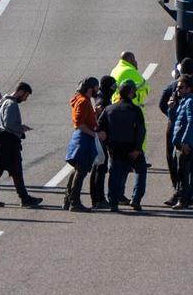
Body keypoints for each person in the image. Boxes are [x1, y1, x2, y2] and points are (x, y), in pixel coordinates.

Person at [0, 82, 42, 209]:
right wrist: (22, 128)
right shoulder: (11, 104)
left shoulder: (4, 101)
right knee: (15, 171)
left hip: (1, 142)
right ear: (21, 92)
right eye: (26, 96)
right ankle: (24, 198)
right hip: (8, 143)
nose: (25, 99)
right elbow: (8, 124)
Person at [101, 80, 147, 212]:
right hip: (132, 149)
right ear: (130, 92)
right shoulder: (135, 110)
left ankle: (113, 203)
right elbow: (141, 130)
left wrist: (107, 146)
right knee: (141, 170)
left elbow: (101, 128)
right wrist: (137, 149)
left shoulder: (109, 109)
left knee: (114, 176)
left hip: (115, 149)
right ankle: (136, 199)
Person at [62, 77, 100, 212]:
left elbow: (84, 119)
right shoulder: (83, 101)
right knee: (81, 170)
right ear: (90, 88)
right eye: (96, 87)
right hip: (83, 140)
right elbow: (79, 124)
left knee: (78, 169)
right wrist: (94, 134)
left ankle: (68, 199)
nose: (98, 89)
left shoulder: (83, 100)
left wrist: (94, 114)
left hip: (82, 139)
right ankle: (74, 202)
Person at [158, 59, 193, 202]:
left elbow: (162, 104)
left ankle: (179, 191)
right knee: (190, 163)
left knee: (174, 161)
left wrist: (172, 114)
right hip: (192, 129)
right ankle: (187, 192)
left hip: (173, 127)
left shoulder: (172, 86)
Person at [169, 76, 193, 210]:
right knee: (181, 173)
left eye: (181, 87)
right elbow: (176, 120)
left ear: (189, 88)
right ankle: (186, 199)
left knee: (183, 173)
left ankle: (183, 200)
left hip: (185, 144)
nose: (178, 89)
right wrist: (171, 108)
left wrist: (185, 142)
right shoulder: (183, 101)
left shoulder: (190, 102)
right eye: (177, 87)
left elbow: (192, 123)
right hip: (179, 143)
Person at [89, 75, 116, 209]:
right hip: (101, 139)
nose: (115, 87)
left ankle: (97, 197)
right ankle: (98, 198)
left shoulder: (103, 97)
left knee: (99, 168)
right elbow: (99, 118)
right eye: (113, 85)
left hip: (101, 138)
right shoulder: (103, 100)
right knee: (100, 168)